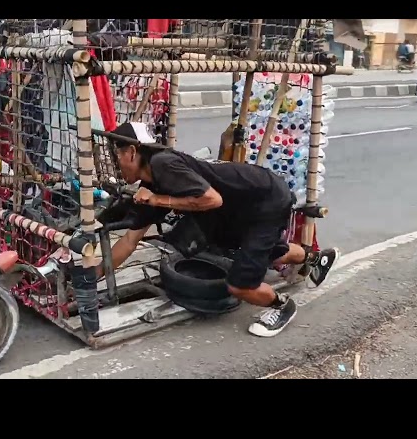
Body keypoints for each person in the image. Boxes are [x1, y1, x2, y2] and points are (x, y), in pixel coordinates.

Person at [100, 122, 340, 338]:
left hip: (266, 199)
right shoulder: (151, 182)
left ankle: (281, 306)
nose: (114, 163)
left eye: (116, 155)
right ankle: (317, 258)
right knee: (264, 254)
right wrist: (91, 278)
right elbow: (129, 241)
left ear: (131, 153)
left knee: (240, 285)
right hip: (240, 207)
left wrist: (158, 200)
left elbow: (211, 199)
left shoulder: (163, 164)